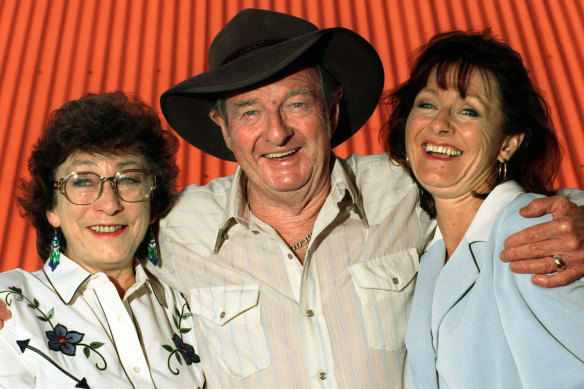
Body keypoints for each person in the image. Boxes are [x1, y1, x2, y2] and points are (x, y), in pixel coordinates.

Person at [1, 8, 584, 388]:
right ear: (224, 129)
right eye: (250, 112)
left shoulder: (407, 187)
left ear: (330, 110)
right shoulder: (178, 230)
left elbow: (494, 187)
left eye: (297, 104)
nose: (275, 132)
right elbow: (96, 248)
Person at [382, 30, 584, 388]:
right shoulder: (429, 255)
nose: (440, 123)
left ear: (508, 143)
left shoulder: (535, 231)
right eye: (427, 104)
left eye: (468, 111)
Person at [0, 92, 205, 388]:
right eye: (83, 181)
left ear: (152, 207)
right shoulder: (10, 307)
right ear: (51, 208)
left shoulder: (190, 305)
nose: (109, 204)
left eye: (129, 179)